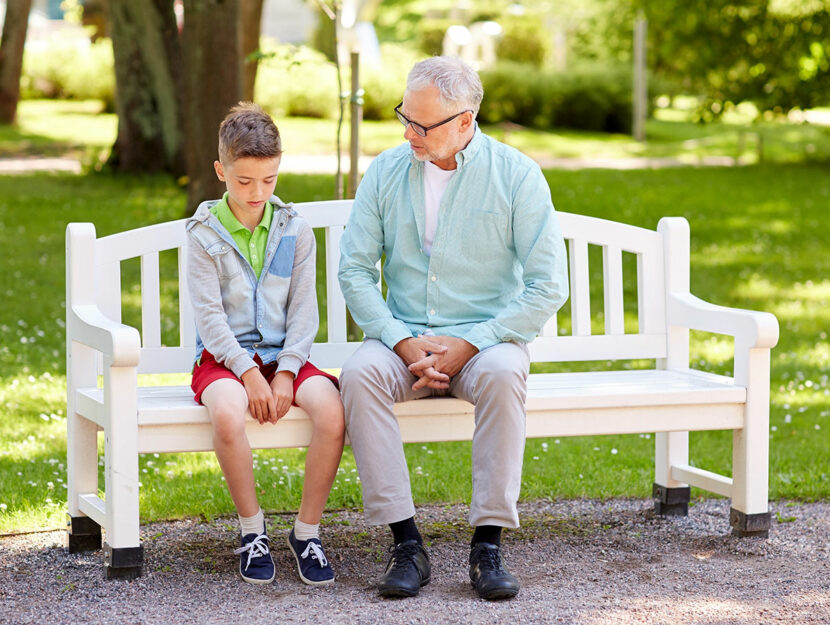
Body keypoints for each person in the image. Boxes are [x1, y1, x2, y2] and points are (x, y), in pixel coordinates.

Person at [338, 56, 569, 601]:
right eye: (405, 118)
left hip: (484, 339)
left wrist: (472, 344)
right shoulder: (386, 170)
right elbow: (354, 269)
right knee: (358, 374)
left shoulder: (516, 175)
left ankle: (487, 545)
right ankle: (406, 544)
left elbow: (546, 287)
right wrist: (400, 340)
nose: (408, 133)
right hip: (404, 338)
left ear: (465, 122)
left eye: (423, 125)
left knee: (505, 373)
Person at [186, 102, 345, 586]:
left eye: (269, 180)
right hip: (223, 359)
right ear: (221, 171)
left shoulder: (295, 229)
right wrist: (250, 372)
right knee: (231, 414)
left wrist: (287, 370)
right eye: (244, 181)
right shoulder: (202, 234)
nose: (257, 193)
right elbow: (210, 318)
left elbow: (303, 311)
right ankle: (252, 531)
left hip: (285, 356)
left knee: (334, 412)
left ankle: (307, 532)